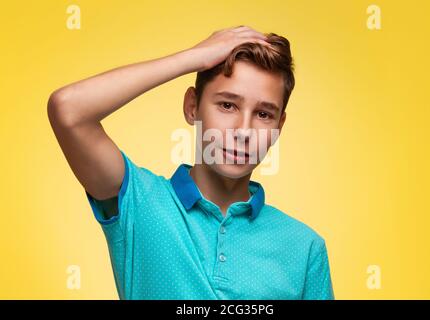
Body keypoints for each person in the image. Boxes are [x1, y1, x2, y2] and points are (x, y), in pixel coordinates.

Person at [47, 25, 334, 300]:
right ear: (192, 106)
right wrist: (193, 57)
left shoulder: (305, 248)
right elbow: (68, 109)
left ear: (279, 126)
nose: (244, 131)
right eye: (227, 105)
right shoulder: (139, 204)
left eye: (263, 114)